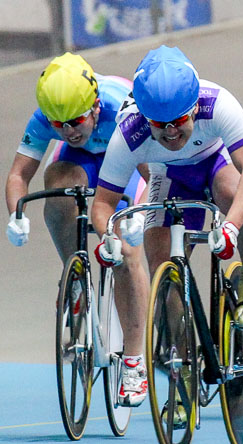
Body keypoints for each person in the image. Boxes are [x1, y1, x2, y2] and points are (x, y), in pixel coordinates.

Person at [90, 45, 243, 411]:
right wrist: (107, 236)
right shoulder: (130, 132)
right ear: (145, 116)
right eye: (160, 125)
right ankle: (183, 370)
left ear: (193, 108)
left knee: (242, 203)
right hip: (167, 177)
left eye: (179, 122)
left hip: (213, 163)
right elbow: (103, 204)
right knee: (162, 276)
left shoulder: (217, 103)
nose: (171, 133)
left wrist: (231, 226)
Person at [4, 52, 146, 391]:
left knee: (126, 252)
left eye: (75, 122)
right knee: (57, 183)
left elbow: (151, 175)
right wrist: (16, 215)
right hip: (81, 163)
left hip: (124, 159)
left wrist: (139, 213)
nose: (68, 131)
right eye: (58, 124)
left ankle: (134, 361)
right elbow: (18, 176)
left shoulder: (124, 112)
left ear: (95, 107)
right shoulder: (49, 114)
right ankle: (76, 275)